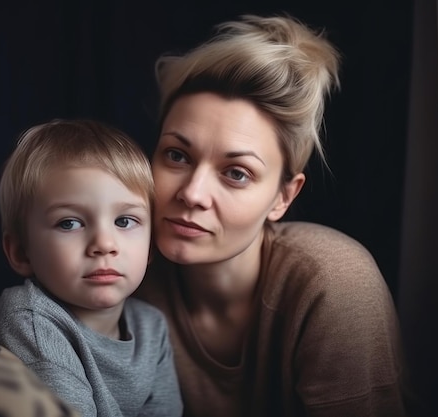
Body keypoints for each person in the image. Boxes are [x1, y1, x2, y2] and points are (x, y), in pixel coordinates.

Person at [133, 14, 410, 417]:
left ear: (283, 197)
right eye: (177, 155)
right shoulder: (118, 265)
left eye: (236, 173)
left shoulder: (333, 283)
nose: (192, 194)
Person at [0, 119, 183, 417]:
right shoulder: (30, 322)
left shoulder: (152, 327)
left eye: (124, 221)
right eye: (69, 223)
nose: (104, 244)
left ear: (150, 246)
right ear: (21, 252)